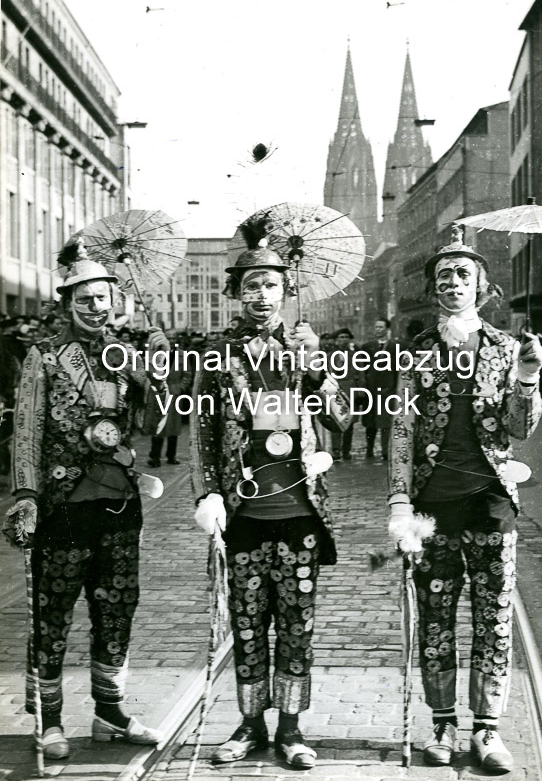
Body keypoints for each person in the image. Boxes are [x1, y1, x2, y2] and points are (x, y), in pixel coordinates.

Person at [190, 216, 350, 771]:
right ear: (237, 291)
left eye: (272, 285)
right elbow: (202, 435)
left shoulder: (304, 346)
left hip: (300, 510)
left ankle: (291, 727)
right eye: (251, 285)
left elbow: (342, 419)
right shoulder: (217, 354)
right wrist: (208, 495)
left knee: (297, 623)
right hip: (245, 513)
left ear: (287, 291)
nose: (261, 295)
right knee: (248, 621)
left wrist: (316, 369)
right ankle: (250, 722)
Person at [387, 227, 542, 773]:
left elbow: (520, 430)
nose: (453, 283)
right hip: (434, 507)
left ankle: (486, 730)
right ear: (434, 290)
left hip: (490, 502)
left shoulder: (506, 349)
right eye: (444, 277)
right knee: (434, 618)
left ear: (482, 286)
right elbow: (402, 432)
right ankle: (440, 725)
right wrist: (399, 502)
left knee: (494, 617)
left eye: (463, 275)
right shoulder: (417, 353)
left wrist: (527, 377)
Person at [3, 239, 168, 760]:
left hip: (119, 503)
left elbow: (152, 425)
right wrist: (26, 495)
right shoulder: (45, 357)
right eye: (87, 298)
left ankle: (110, 710)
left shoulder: (127, 359)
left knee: (117, 607)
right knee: (52, 613)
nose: (98, 308)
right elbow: (26, 432)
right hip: (63, 505)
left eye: (105, 299)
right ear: (66, 300)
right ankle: (49, 717)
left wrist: (158, 377)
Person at [148, 333, 193, 466]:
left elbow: (187, 374)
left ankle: (171, 455)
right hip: (159, 393)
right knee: (158, 426)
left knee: (173, 427)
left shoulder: (182, 355)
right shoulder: (156, 355)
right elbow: (149, 371)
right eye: (170, 339)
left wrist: (180, 387)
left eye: (174, 338)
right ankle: (155, 456)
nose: (172, 341)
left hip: (174, 394)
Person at [360, 317, 398, 460]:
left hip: (389, 389)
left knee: (386, 422)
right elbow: (362, 368)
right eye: (376, 327)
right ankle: (369, 448)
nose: (378, 330)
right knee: (370, 422)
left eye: (381, 327)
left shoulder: (395, 347)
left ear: (387, 329)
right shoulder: (367, 347)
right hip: (371, 389)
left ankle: (385, 451)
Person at [329, 328, 359, 460]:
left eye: (346, 337)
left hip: (351, 390)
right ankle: (336, 450)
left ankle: (347, 450)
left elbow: (360, 373)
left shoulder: (355, 355)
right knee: (336, 421)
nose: (344, 340)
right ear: (336, 340)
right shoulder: (330, 355)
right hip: (336, 390)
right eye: (341, 337)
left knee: (349, 423)